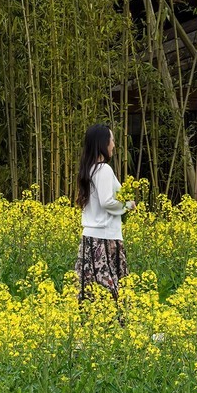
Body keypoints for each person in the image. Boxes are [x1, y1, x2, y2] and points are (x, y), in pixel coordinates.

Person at [75, 124, 135, 302]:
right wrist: (127, 205)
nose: (114, 145)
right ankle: (117, 327)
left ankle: (92, 327)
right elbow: (107, 201)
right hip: (105, 240)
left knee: (91, 292)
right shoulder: (104, 169)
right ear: (103, 143)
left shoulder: (90, 169)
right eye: (112, 140)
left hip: (90, 240)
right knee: (112, 293)